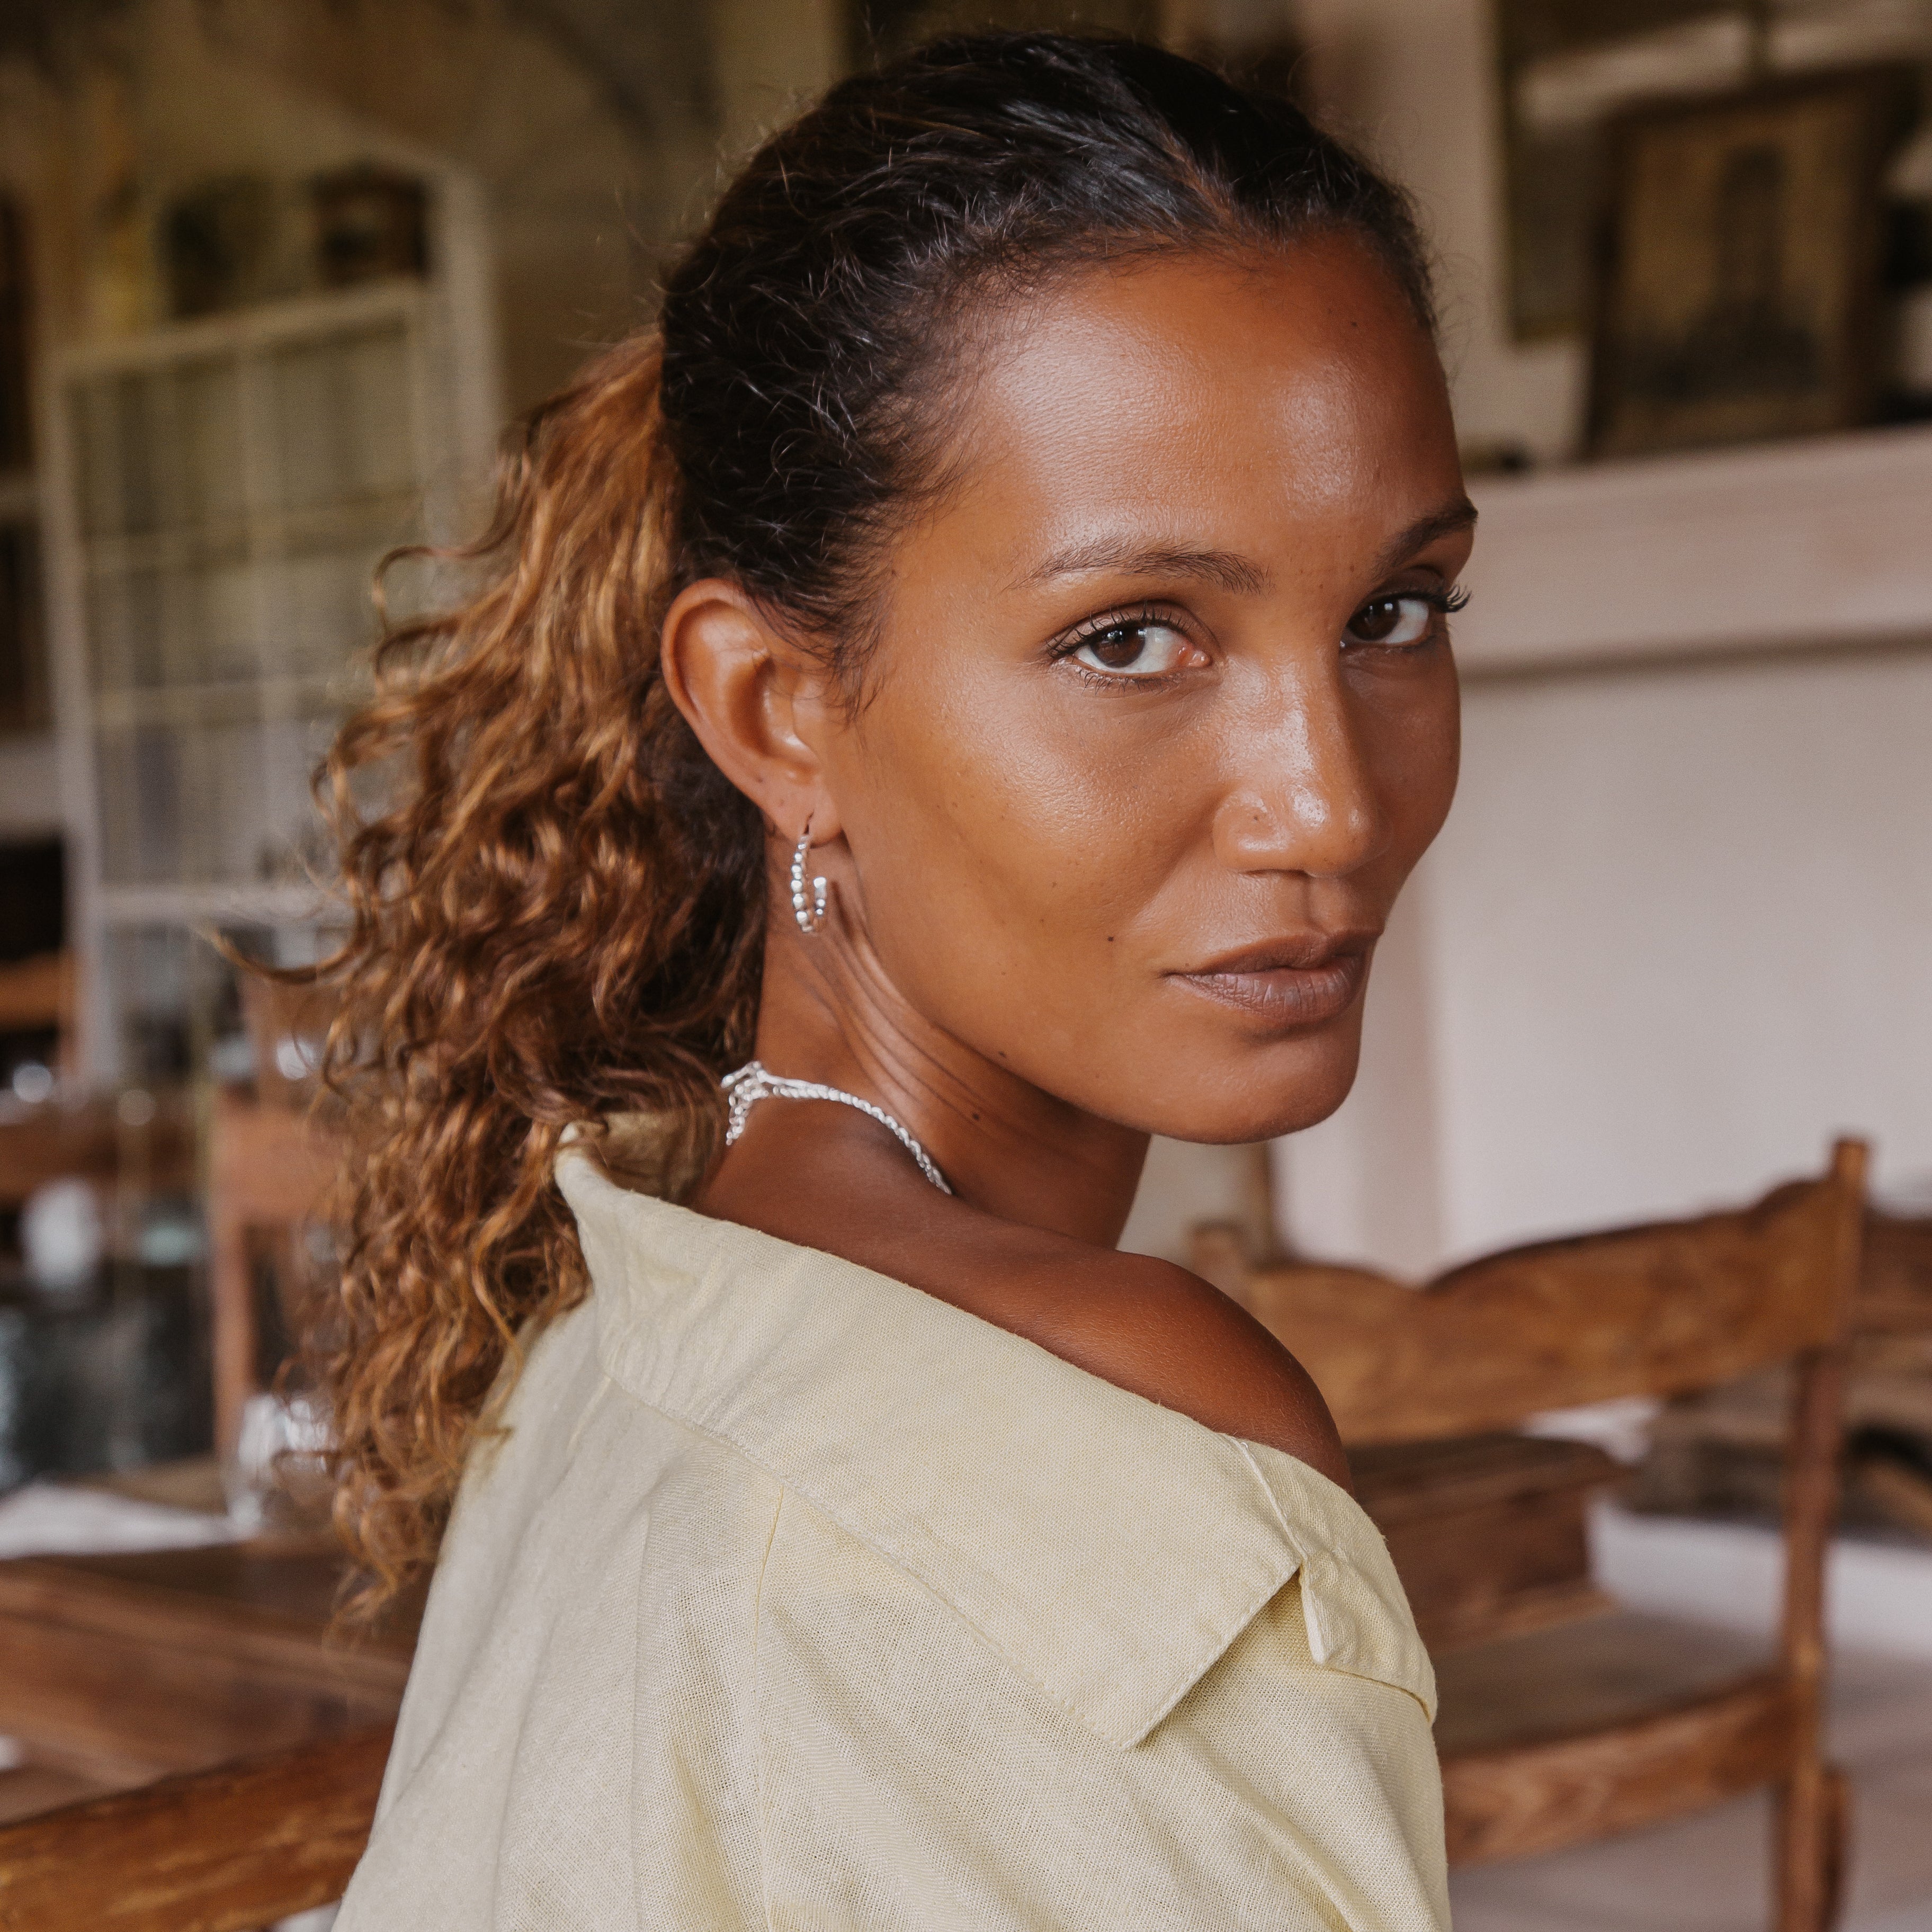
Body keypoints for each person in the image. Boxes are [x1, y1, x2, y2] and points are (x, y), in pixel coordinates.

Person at [328, 31, 1472, 1930]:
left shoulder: (638, 1288)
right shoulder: (1132, 1411)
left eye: (1394, 612)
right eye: (1132, 640)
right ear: (778, 710)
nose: (1330, 803)